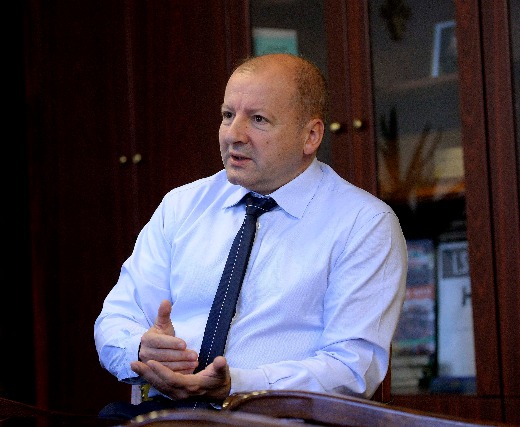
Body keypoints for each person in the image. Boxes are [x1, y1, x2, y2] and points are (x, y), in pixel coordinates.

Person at [93, 53, 408, 419]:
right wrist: (141, 349)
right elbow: (116, 318)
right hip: (163, 414)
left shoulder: (364, 224)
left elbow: (351, 370)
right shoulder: (181, 206)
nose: (234, 135)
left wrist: (238, 385)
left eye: (258, 120)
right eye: (228, 115)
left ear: (311, 136)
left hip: (272, 421)